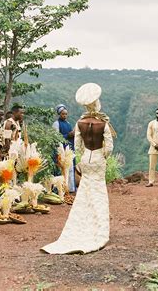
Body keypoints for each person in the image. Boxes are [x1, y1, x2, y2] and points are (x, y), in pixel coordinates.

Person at [42, 83, 113, 254]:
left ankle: (83, 224)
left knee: (85, 191)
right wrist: (102, 156)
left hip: (86, 158)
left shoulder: (80, 122)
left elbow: (77, 145)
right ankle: (98, 227)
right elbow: (109, 147)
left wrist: (84, 156)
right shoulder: (102, 123)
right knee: (98, 191)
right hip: (97, 158)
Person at [53, 104, 76, 192]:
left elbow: (71, 134)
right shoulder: (56, 124)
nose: (65, 116)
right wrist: (68, 135)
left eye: (66, 114)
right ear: (59, 114)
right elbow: (56, 138)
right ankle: (59, 189)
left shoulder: (68, 124)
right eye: (63, 114)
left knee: (70, 168)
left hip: (69, 148)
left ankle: (69, 188)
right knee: (61, 168)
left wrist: (73, 134)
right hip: (61, 149)